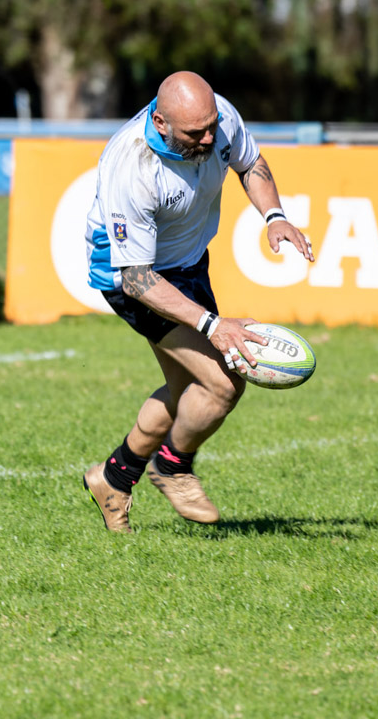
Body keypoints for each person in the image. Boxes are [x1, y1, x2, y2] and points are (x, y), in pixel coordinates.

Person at [82, 71, 315, 533]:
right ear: (162, 121)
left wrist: (274, 216)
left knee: (186, 393)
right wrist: (213, 325)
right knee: (223, 383)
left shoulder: (218, 116)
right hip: (133, 276)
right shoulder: (132, 165)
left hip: (188, 264)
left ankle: (113, 478)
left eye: (211, 125)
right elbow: (138, 280)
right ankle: (172, 466)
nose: (209, 137)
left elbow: (251, 163)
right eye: (195, 132)